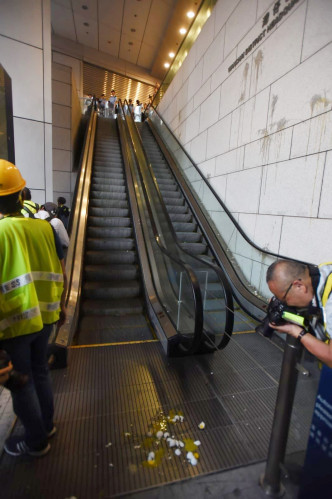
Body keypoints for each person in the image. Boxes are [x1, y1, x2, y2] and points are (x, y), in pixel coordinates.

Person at [0, 159, 67, 457]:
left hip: (14, 325)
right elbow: (57, 270)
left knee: (21, 382)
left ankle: (36, 440)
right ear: (20, 194)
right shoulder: (42, 228)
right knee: (41, 372)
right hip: (46, 318)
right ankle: (47, 425)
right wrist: (61, 307)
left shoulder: (1, 233)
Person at [266, 260, 332, 368]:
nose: (285, 304)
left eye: (284, 299)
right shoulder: (320, 275)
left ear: (299, 286)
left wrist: (296, 331)